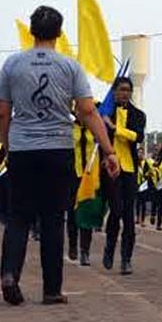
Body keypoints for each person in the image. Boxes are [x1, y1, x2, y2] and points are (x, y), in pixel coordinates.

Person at [0, 5, 119, 305]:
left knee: (19, 217)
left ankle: (10, 274)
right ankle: (51, 289)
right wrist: (109, 150)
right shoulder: (70, 66)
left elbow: (2, 113)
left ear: (32, 31)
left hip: (23, 148)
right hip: (58, 149)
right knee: (53, 218)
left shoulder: (12, 64)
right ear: (60, 33)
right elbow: (88, 111)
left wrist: (8, 145)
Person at [101, 77, 146, 275]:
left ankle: (126, 259)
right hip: (111, 169)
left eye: (128, 90)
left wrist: (115, 128)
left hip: (129, 169)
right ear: (114, 91)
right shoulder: (105, 112)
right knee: (116, 210)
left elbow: (138, 136)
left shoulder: (138, 115)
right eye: (121, 89)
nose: (125, 93)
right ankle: (109, 248)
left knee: (129, 215)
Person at [69, 112, 96, 265]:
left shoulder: (95, 129)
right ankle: (73, 245)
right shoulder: (69, 129)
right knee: (72, 213)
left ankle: (85, 251)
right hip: (72, 175)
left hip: (90, 176)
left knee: (87, 214)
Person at [149, 150, 162, 229]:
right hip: (153, 186)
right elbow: (147, 175)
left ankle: (159, 224)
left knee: (161, 206)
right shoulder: (149, 163)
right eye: (155, 154)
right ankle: (153, 215)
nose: (157, 156)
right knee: (154, 203)